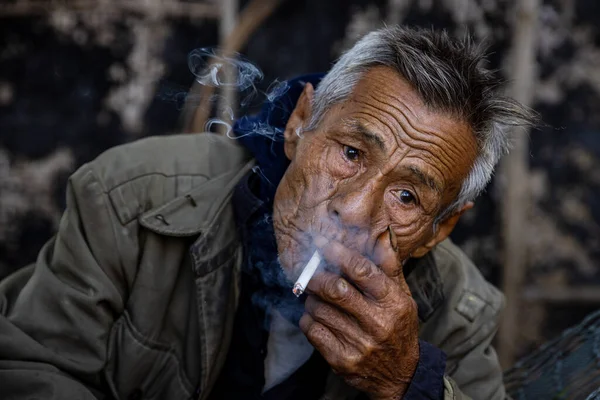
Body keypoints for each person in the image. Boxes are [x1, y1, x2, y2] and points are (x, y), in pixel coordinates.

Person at [0, 26, 535, 400]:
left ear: (439, 229)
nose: (353, 210)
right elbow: (33, 369)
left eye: (407, 197)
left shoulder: (458, 314)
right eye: (350, 154)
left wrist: (409, 382)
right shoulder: (131, 200)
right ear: (300, 123)